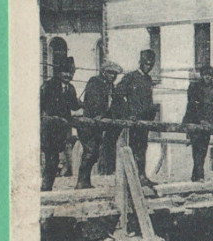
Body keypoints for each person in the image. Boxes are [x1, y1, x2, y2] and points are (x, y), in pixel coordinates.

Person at [113, 49, 159, 186]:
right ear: (140, 62)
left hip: (144, 120)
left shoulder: (148, 79)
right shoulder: (130, 77)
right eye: (146, 63)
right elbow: (118, 95)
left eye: (151, 64)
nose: (148, 66)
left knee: (142, 147)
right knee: (133, 147)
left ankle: (141, 176)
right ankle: (132, 178)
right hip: (134, 120)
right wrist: (128, 113)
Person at [76, 61, 122, 189]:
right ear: (103, 72)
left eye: (115, 74)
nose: (113, 76)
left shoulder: (110, 86)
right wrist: (99, 114)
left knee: (94, 152)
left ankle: (85, 181)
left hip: (99, 123)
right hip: (90, 122)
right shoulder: (95, 82)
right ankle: (81, 181)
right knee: (90, 151)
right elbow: (92, 101)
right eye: (110, 73)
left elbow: (113, 103)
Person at [40, 56, 81, 191]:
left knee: (57, 158)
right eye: (65, 72)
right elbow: (41, 105)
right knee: (51, 157)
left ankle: (48, 186)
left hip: (62, 129)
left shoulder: (70, 88)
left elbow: (74, 106)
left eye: (71, 73)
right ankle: (46, 186)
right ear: (58, 73)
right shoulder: (49, 85)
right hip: (50, 127)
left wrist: (81, 104)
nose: (68, 75)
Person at [183, 65, 213, 182]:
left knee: (203, 149)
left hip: (208, 123)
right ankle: (200, 175)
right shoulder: (194, 87)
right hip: (195, 122)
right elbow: (192, 106)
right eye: (205, 75)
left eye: (210, 75)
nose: (208, 77)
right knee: (196, 148)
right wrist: (199, 120)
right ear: (202, 75)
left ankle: (196, 175)